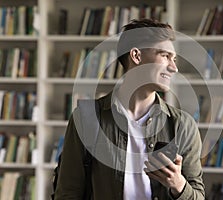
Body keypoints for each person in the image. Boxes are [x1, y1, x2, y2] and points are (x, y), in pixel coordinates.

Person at [54, 19, 205, 200]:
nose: (174, 67)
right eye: (165, 56)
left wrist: (178, 184)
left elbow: (198, 196)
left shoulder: (183, 125)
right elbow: (67, 193)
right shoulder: (86, 119)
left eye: (174, 59)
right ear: (136, 55)